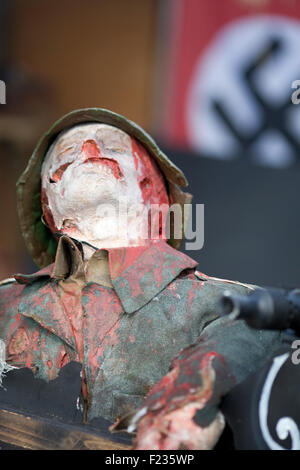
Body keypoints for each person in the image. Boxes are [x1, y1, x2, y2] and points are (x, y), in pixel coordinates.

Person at [0, 108, 283, 449]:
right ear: (46, 205)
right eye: (65, 155)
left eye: (110, 149)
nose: (88, 149)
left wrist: (188, 398)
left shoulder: (234, 309)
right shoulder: (5, 305)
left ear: (152, 189)